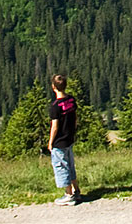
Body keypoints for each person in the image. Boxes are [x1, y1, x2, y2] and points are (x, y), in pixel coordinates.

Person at [47, 74, 82, 206]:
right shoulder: (71, 100)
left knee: (61, 167)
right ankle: (76, 190)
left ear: (53, 87)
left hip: (59, 141)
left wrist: (50, 142)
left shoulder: (55, 106)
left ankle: (68, 195)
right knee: (70, 165)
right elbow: (75, 118)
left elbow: (54, 126)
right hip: (69, 138)